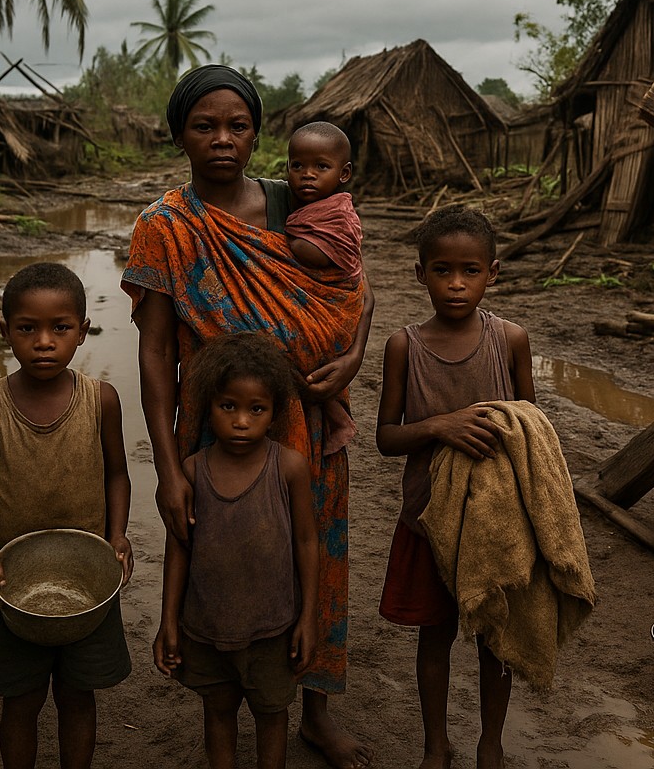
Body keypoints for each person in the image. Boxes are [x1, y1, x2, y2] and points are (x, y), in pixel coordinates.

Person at [122, 64, 373, 769]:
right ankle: (229, 696)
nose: (223, 139)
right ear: (180, 135)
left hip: (312, 422)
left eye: (238, 125)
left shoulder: (297, 198)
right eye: (205, 126)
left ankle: (316, 713)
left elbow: (360, 284)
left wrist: (352, 359)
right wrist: (170, 469)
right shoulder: (164, 227)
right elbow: (152, 355)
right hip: (222, 426)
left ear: (257, 133)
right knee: (229, 560)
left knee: (319, 559)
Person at [0, 261, 132, 769]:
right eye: (27, 328)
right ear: (5, 332)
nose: (43, 342)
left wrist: (117, 537)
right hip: (12, 584)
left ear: (83, 332)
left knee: (77, 696)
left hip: (90, 581)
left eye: (60, 328)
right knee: (20, 701)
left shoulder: (101, 400)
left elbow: (118, 474)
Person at [374, 205, 534, 769]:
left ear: (494, 271)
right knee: (434, 635)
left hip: (494, 520)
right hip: (426, 517)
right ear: (421, 274)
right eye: (442, 270)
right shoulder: (404, 346)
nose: (457, 284)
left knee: (495, 638)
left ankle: (490, 743)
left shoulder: (510, 340)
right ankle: (434, 745)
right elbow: (387, 439)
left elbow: (530, 432)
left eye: (470, 271)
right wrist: (441, 425)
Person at [156, 333, 319, 769]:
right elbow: (179, 552)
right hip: (206, 629)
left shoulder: (289, 467)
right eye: (229, 407)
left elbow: (306, 541)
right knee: (218, 714)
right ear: (209, 407)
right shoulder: (192, 471)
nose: (242, 421)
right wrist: (168, 621)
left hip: (273, 631)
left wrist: (308, 617)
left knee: (272, 718)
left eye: (256, 409)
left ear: (274, 412)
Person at [285, 120, 363, 280]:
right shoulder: (285, 198)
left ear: (344, 173)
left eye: (321, 166)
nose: (307, 174)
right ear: (288, 168)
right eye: (298, 166)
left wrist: (292, 244)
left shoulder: (338, 211)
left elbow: (326, 253)